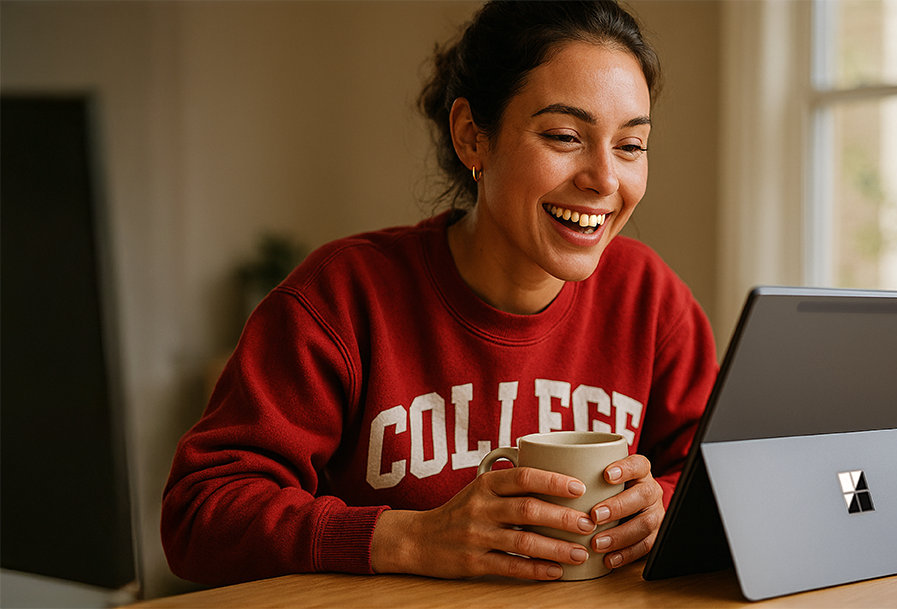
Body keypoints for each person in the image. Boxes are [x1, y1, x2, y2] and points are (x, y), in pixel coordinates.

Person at [161, 0, 717, 586]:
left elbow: (713, 476)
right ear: (472, 138)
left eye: (630, 146)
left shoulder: (649, 297)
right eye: (563, 135)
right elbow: (199, 515)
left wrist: (660, 508)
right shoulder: (342, 299)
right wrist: (408, 537)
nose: (604, 179)